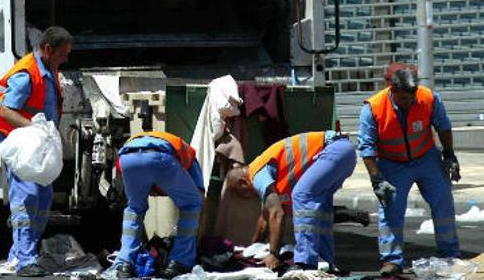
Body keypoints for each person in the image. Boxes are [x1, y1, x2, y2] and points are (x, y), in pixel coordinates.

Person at [358, 67, 460, 275]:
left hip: (426, 158)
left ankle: (449, 254)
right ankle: (392, 260)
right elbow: (367, 148)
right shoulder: (373, 108)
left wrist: (449, 155)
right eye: (403, 99)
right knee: (390, 208)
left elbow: (443, 127)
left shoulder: (428, 98)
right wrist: (377, 179)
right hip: (392, 163)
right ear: (392, 90)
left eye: (411, 98)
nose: (408, 103)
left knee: (443, 202)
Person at [0, 26, 73, 277]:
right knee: (26, 200)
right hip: (23, 146)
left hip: (37, 146)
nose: (66, 59)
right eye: (63, 54)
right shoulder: (27, 74)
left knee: (42, 200)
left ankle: (20, 255)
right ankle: (26, 260)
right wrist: (35, 128)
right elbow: (6, 111)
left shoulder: (48, 68)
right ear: (47, 49)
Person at [226, 131, 355, 273]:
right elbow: (265, 219)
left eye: (243, 194)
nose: (249, 196)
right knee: (321, 209)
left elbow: (276, 214)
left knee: (301, 195)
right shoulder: (264, 173)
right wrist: (251, 250)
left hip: (333, 150)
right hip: (345, 153)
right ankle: (326, 263)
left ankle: (306, 264)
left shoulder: (257, 175)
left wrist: (273, 254)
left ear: (243, 183)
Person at [113, 131, 204, 279]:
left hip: (127, 157)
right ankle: (180, 262)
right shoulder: (191, 160)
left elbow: (123, 170)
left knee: (134, 209)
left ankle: (125, 263)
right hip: (160, 156)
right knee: (192, 204)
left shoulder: (172, 149)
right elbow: (199, 195)